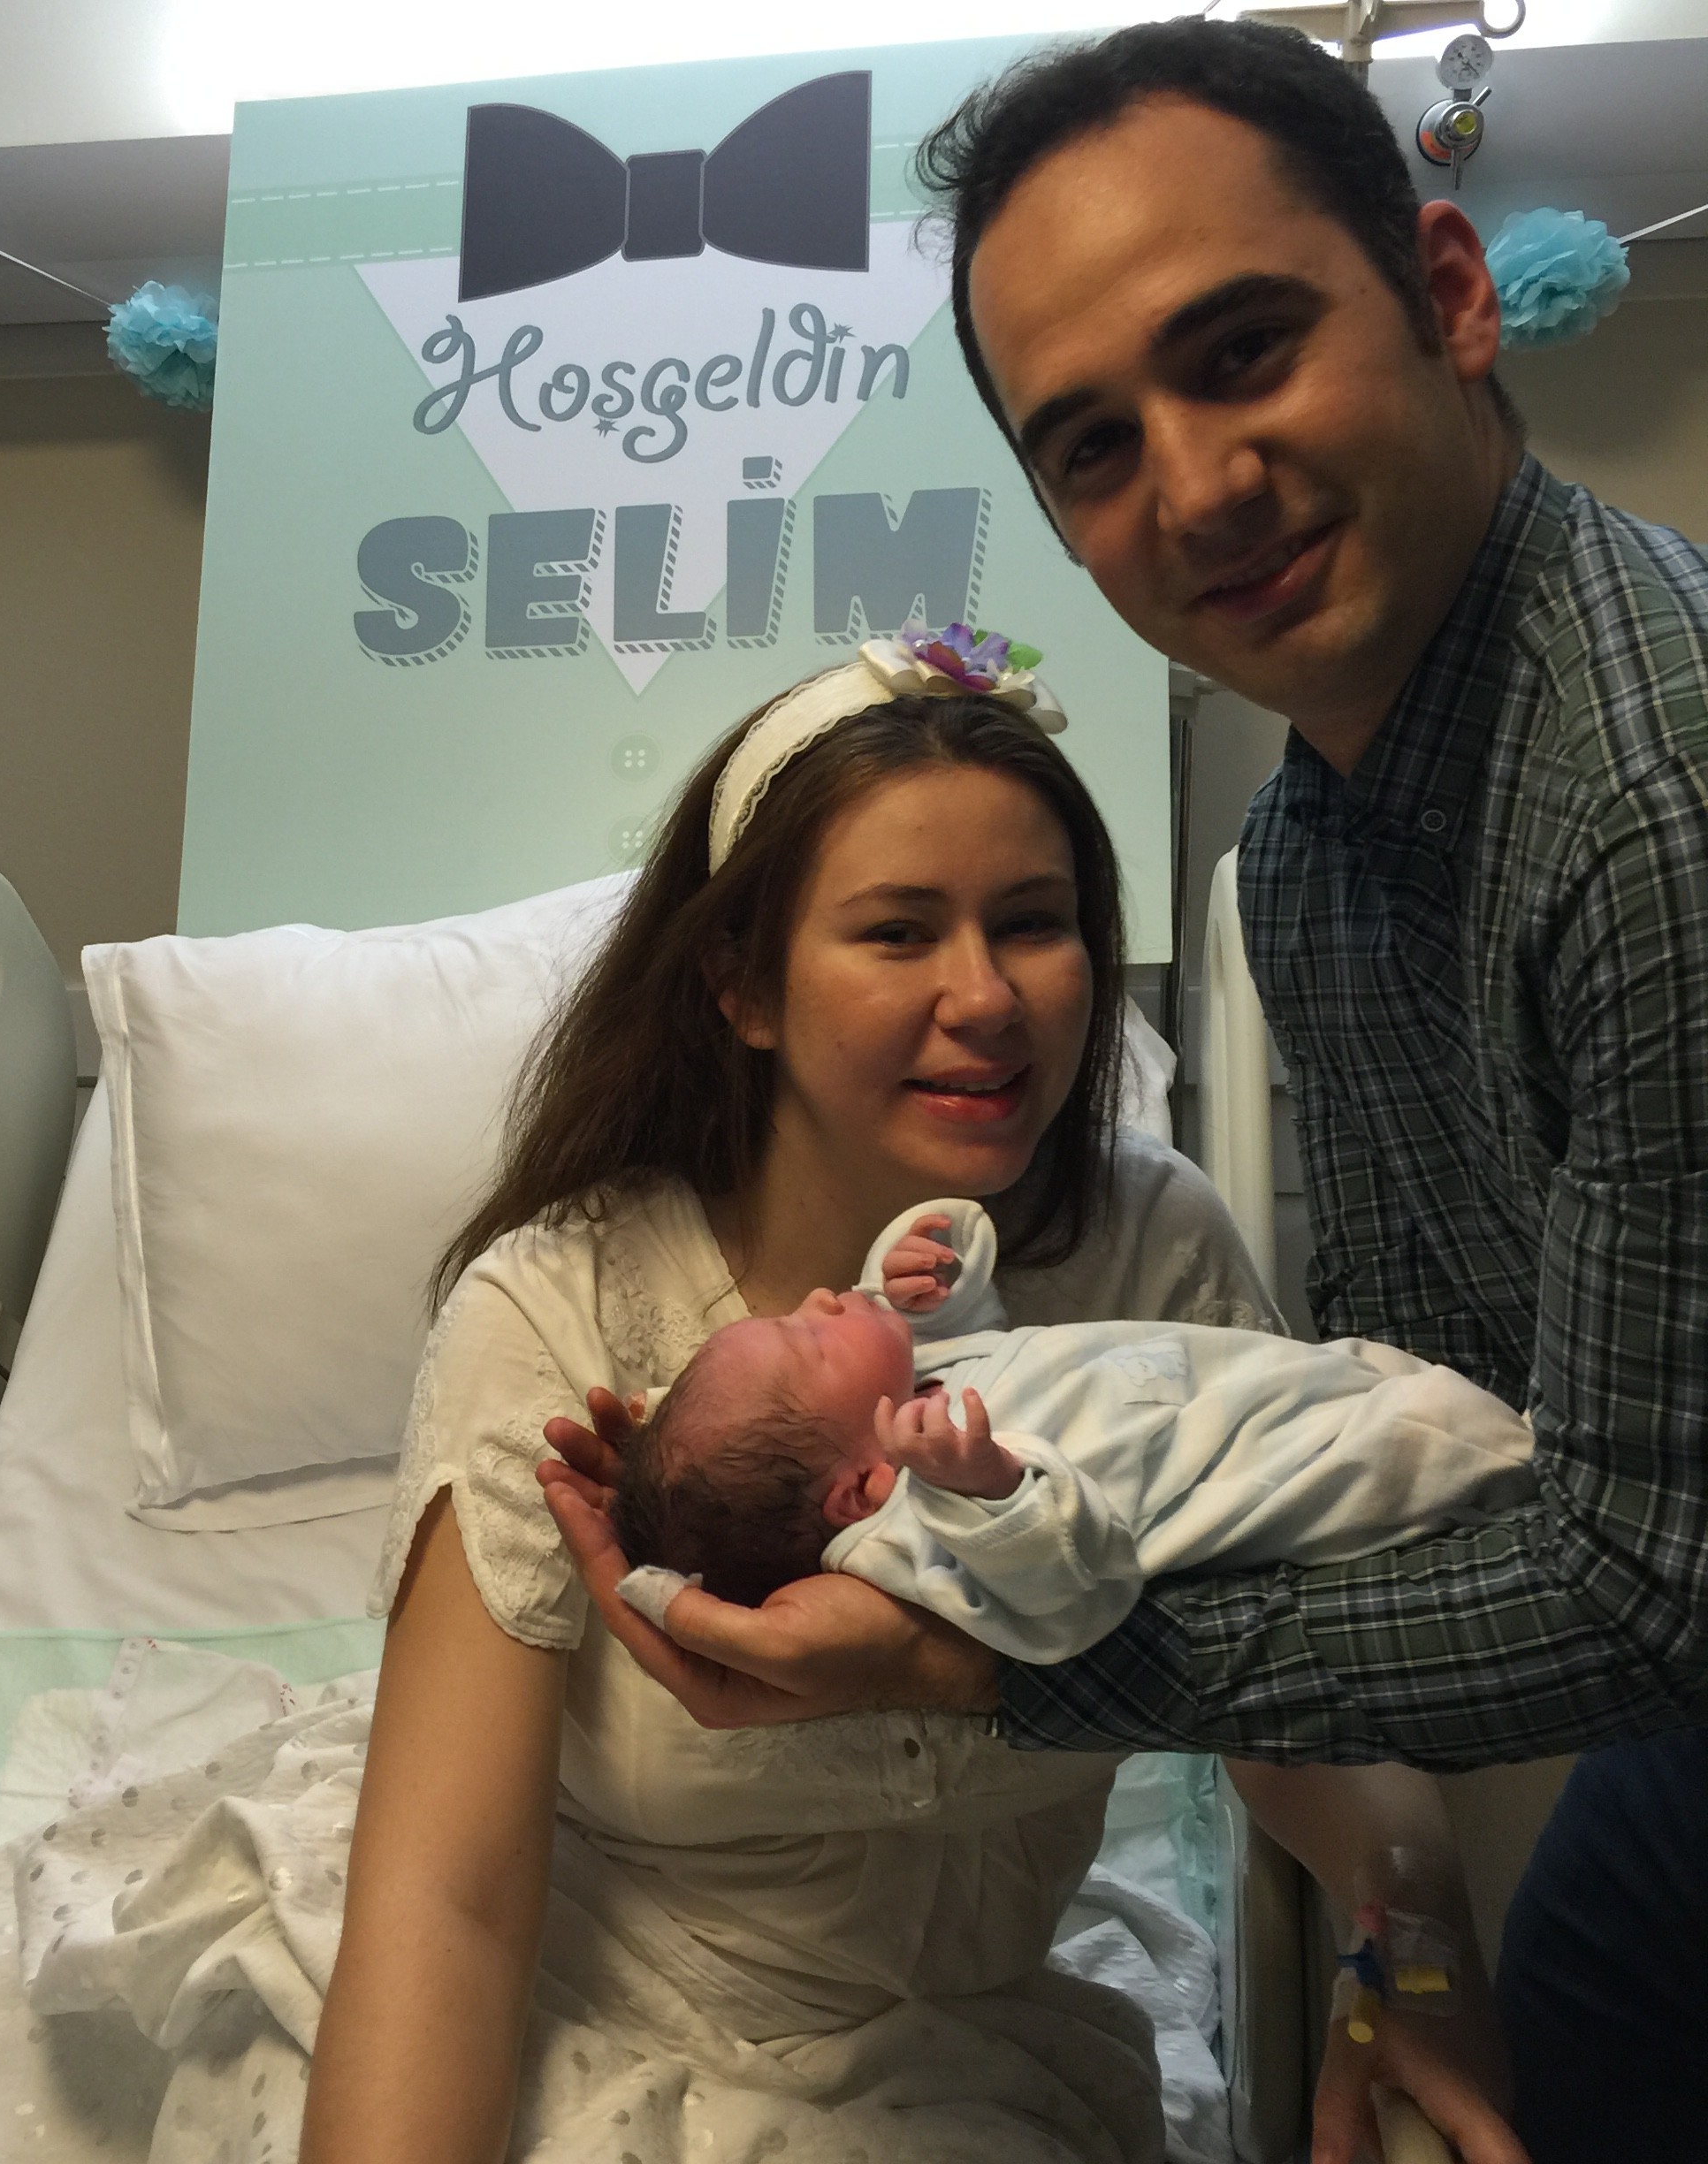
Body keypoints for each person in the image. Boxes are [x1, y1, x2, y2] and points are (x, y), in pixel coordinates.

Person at [538, 20, 1707, 2161]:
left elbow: (1643, 1581)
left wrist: (982, 1654)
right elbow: (1435, 1418)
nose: (1191, 487)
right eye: (1089, 445)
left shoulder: (1645, 817)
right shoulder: (1313, 860)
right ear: (738, 987)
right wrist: (1405, 1944)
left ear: (1449, 294)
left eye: (1243, 350)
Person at [308, 635, 1521, 2164]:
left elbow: (1294, 1674)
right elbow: (450, 1902)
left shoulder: (1144, 1247)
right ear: (741, 982)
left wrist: (1415, 1947)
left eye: (1033, 923)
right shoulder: (560, 1311)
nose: (986, 996)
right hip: (588, 2031)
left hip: (980, 2061)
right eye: (896, 932)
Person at [610, 1197, 1534, 1662]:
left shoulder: (916, 1397)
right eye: (810, 1340)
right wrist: (993, 1494)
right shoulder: (919, 1530)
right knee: (1457, 1445)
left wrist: (926, 1283)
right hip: (1301, 1467)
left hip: (1288, 1389)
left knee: (1408, 1393)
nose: (818, 1298)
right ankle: (1542, 1464)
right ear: (861, 1490)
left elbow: (985, 1339)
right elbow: (1071, 1598)